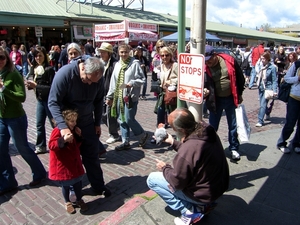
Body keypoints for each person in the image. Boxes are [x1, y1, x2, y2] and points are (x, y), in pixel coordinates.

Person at [147, 108, 229, 225]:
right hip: (216, 189)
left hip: (202, 194)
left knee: (152, 179)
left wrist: (165, 168)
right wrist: (173, 142)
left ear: (181, 129)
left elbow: (177, 182)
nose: (172, 130)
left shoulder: (188, 148)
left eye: (173, 127)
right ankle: (204, 206)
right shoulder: (207, 132)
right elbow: (195, 153)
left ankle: (189, 211)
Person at [48, 57, 111, 196]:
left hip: (88, 123)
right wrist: (63, 127)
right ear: (82, 68)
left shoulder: (97, 79)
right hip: (69, 125)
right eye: (87, 79)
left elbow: (99, 101)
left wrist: (97, 123)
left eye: (93, 82)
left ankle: (98, 186)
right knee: (70, 159)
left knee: (92, 157)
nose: (89, 84)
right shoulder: (64, 74)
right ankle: (72, 192)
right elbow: (53, 102)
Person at [0, 46, 47, 195]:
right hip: (2, 118)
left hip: (16, 118)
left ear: (7, 58)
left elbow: (22, 97)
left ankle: (39, 173)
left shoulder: (13, 74)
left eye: (1, 57)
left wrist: (3, 89)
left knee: (22, 148)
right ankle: (8, 182)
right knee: (1, 150)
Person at [204, 45, 245, 161]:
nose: (208, 63)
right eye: (206, 61)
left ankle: (234, 148)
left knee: (233, 125)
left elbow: (240, 76)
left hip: (231, 98)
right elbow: (203, 83)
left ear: (214, 55)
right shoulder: (204, 67)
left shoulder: (229, 60)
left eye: (209, 60)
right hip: (215, 100)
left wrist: (240, 93)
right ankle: (211, 148)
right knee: (212, 127)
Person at [106, 44, 148, 151]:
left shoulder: (134, 64)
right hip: (119, 96)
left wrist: (132, 83)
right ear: (118, 53)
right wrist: (110, 96)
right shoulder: (117, 65)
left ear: (129, 51)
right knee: (122, 119)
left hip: (130, 97)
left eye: (125, 52)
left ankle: (142, 134)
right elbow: (113, 82)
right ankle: (126, 142)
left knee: (129, 118)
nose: (123, 54)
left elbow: (142, 79)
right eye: (121, 52)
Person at [48, 109, 88, 214]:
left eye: (75, 121)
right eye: (72, 121)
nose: (74, 124)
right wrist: (63, 140)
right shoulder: (57, 131)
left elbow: (76, 146)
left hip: (74, 163)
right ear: (65, 122)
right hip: (64, 165)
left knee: (78, 183)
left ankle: (79, 199)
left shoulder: (74, 130)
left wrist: (79, 136)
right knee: (65, 185)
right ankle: (67, 202)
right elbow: (51, 145)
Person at [26, 47, 55, 154]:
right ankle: (40, 146)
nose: (38, 58)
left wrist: (36, 86)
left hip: (49, 101)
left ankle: (61, 144)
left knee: (55, 124)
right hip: (40, 100)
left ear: (45, 56)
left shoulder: (49, 69)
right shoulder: (34, 68)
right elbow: (36, 86)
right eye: (36, 56)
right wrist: (31, 86)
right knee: (39, 124)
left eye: (40, 55)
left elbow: (52, 88)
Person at [98, 42, 120, 144]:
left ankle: (114, 134)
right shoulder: (100, 62)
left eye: (103, 52)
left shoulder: (115, 64)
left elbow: (117, 81)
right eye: (100, 52)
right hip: (101, 92)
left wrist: (112, 95)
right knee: (102, 114)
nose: (101, 54)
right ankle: (115, 127)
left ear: (109, 53)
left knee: (109, 114)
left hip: (111, 93)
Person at [277, 59, 300, 154]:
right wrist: (297, 79)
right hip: (294, 98)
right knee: (290, 122)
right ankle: (282, 143)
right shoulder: (297, 64)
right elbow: (287, 78)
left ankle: (297, 143)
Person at [255, 52, 278, 127]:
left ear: (268, 59)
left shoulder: (272, 67)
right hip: (261, 87)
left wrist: (275, 90)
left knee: (263, 104)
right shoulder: (260, 66)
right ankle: (267, 112)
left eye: (264, 59)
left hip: (268, 88)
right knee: (262, 104)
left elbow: (274, 80)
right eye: (261, 59)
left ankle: (260, 121)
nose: (262, 60)